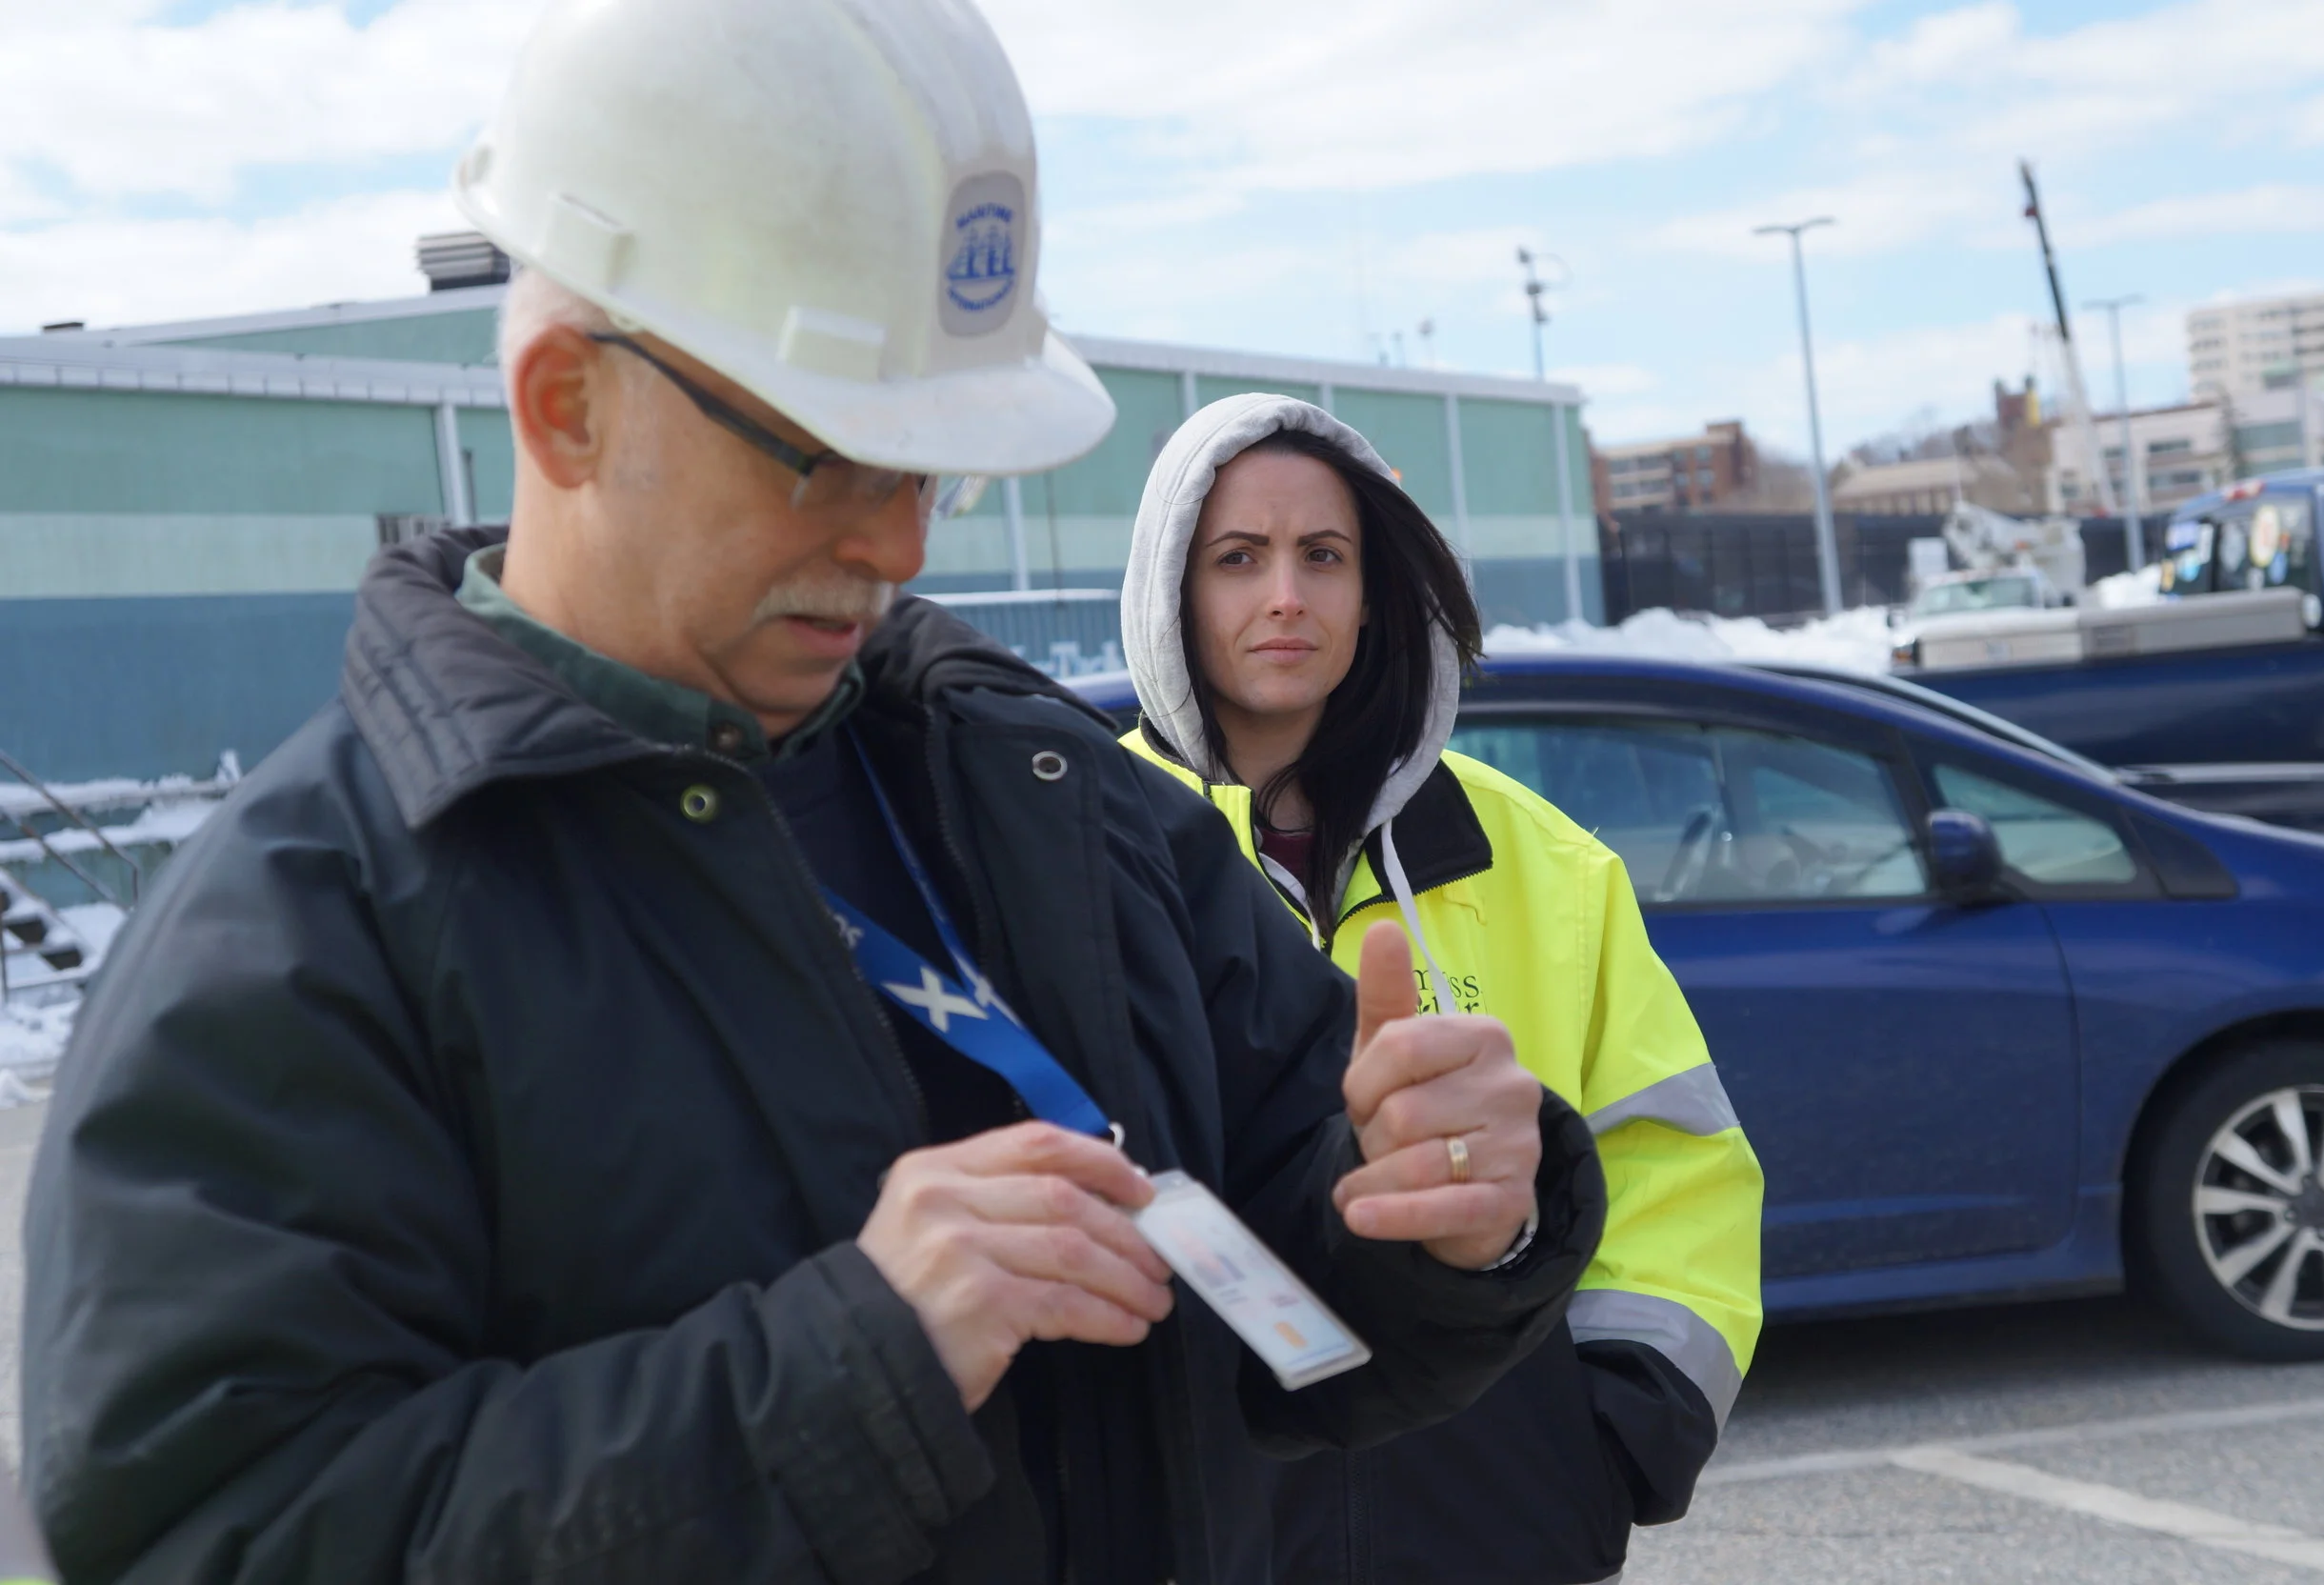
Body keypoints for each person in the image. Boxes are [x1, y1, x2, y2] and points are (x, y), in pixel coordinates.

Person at [19, 7, 1606, 1583]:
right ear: (568, 403)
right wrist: (851, 1367)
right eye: (830, 457)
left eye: (931, 468)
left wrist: (1449, 1226)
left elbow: (1295, 1323)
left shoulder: (1055, 803)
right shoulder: (305, 929)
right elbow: (213, 1533)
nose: (901, 545)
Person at [1118, 394, 1766, 1585]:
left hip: (1495, 1532)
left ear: (1373, 590)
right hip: (1207, 1536)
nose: (1285, 597)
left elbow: (1675, 1161)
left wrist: (1606, 1437)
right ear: (1168, 586)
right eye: (1237, 557)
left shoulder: (1543, 860)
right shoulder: (1082, 854)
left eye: (1324, 556)